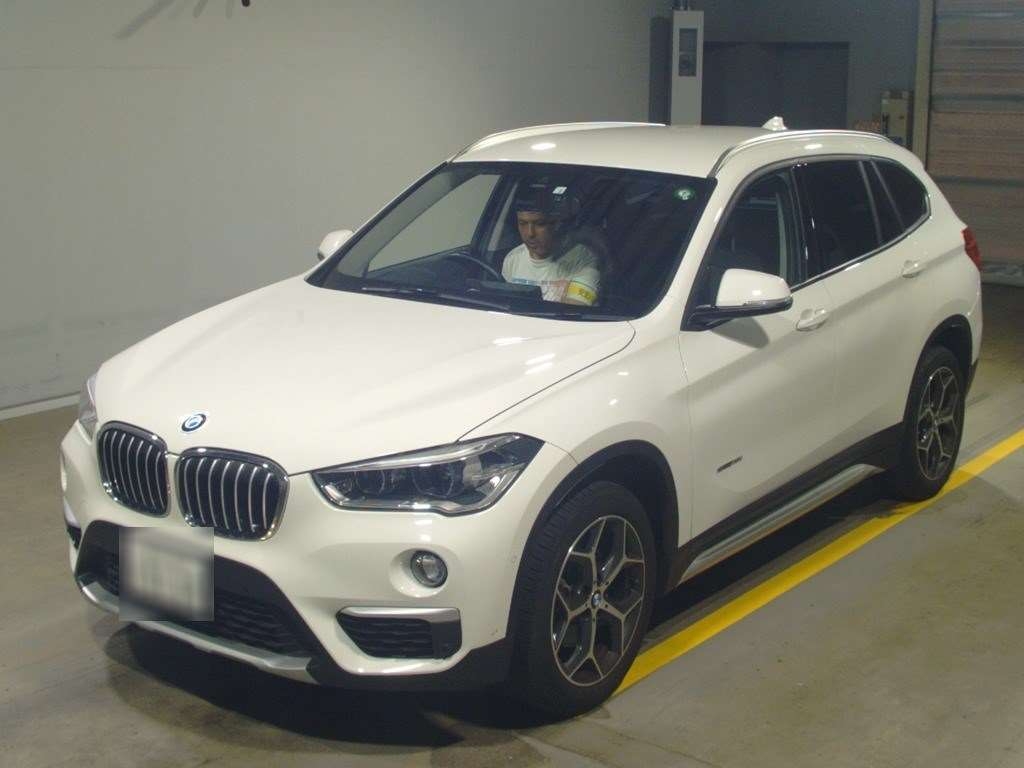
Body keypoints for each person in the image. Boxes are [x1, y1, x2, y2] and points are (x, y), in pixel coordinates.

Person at [501, 181, 602, 306]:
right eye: (523, 224)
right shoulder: (513, 259)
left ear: (557, 224)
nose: (530, 233)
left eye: (540, 224)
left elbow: (573, 310)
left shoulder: (583, 259)